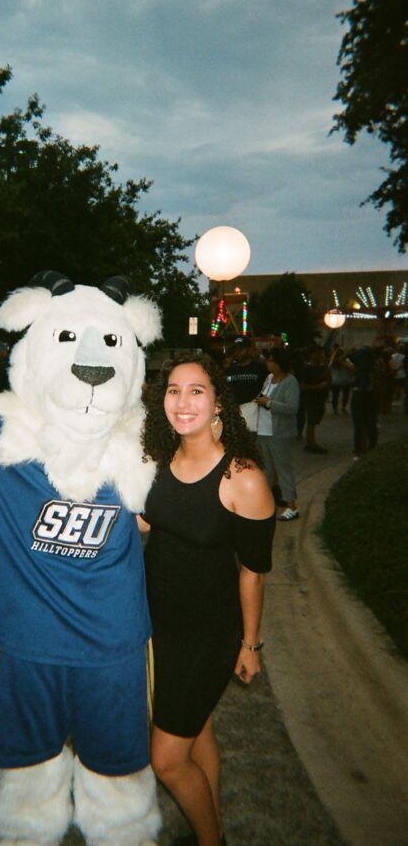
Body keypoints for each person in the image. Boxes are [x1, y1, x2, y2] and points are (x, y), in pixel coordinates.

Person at [140, 352, 275, 846]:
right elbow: (149, 522)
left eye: (197, 390)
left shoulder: (242, 477)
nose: (183, 401)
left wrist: (250, 645)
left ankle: (210, 840)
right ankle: (211, 820)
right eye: (174, 390)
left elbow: (253, 573)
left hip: (209, 634)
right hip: (159, 625)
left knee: (167, 759)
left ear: (219, 401)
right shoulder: (160, 463)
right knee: (200, 730)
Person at [255, 348, 301, 521]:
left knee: (283, 469)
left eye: (271, 360)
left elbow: (292, 408)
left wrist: (269, 403)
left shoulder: (290, 382)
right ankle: (266, 504)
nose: (268, 363)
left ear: (280, 363)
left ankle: (292, 506)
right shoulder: (268, 378)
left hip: (280, 433)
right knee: (266, 470)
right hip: (263, 430)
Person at [299, 344, 330, 454]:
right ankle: (311, 443)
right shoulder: (307, 368)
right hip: (310, 399)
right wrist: (317, 387)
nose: (321, 355)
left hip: (320, 398)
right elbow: (302, 386)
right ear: (312, 355)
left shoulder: (322, 367)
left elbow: (327, 380)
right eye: (318, 353)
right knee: (311, 422)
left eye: (321, 353)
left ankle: (311, 443)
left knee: (315, 421)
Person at [328, 346, 352, 414]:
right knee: (344, 395)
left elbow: (329, 368)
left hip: (336, 381)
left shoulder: (333, 361)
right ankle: (343, 407)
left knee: (335, 396)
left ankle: (335, 408)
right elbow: (351, 368)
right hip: (345, 381)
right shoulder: (346, 361)